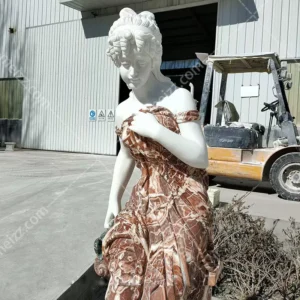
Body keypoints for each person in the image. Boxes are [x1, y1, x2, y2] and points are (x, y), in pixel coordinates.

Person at [94, 7, 220, 300]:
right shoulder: (123, 109)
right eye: (125, 63)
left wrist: (157, 129)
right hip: (144, 201)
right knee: (125, 271)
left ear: (154, 59)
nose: (132, 71)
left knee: (170, 283)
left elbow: (201, 157)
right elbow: (126, 155)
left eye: (140, 62)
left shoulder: (178, 98)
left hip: (185, 201)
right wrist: (114, 198)